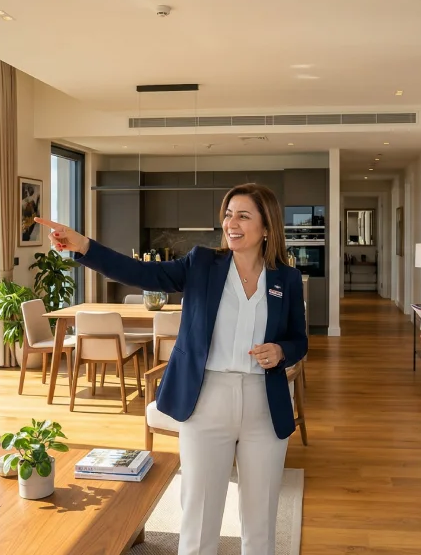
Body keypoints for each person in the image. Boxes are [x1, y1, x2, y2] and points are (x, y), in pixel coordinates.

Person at [35, 182, 307, 555]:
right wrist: (83, 246)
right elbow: (139, 273)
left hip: (264, 402)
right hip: (205, 398)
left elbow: (299, 340)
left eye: (243, 215)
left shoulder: (285, 278)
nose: (232, 223)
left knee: (261, 519)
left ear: (267, 227)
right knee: (198, 514)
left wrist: (281, 351)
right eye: (228, 214)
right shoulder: (202, 263)